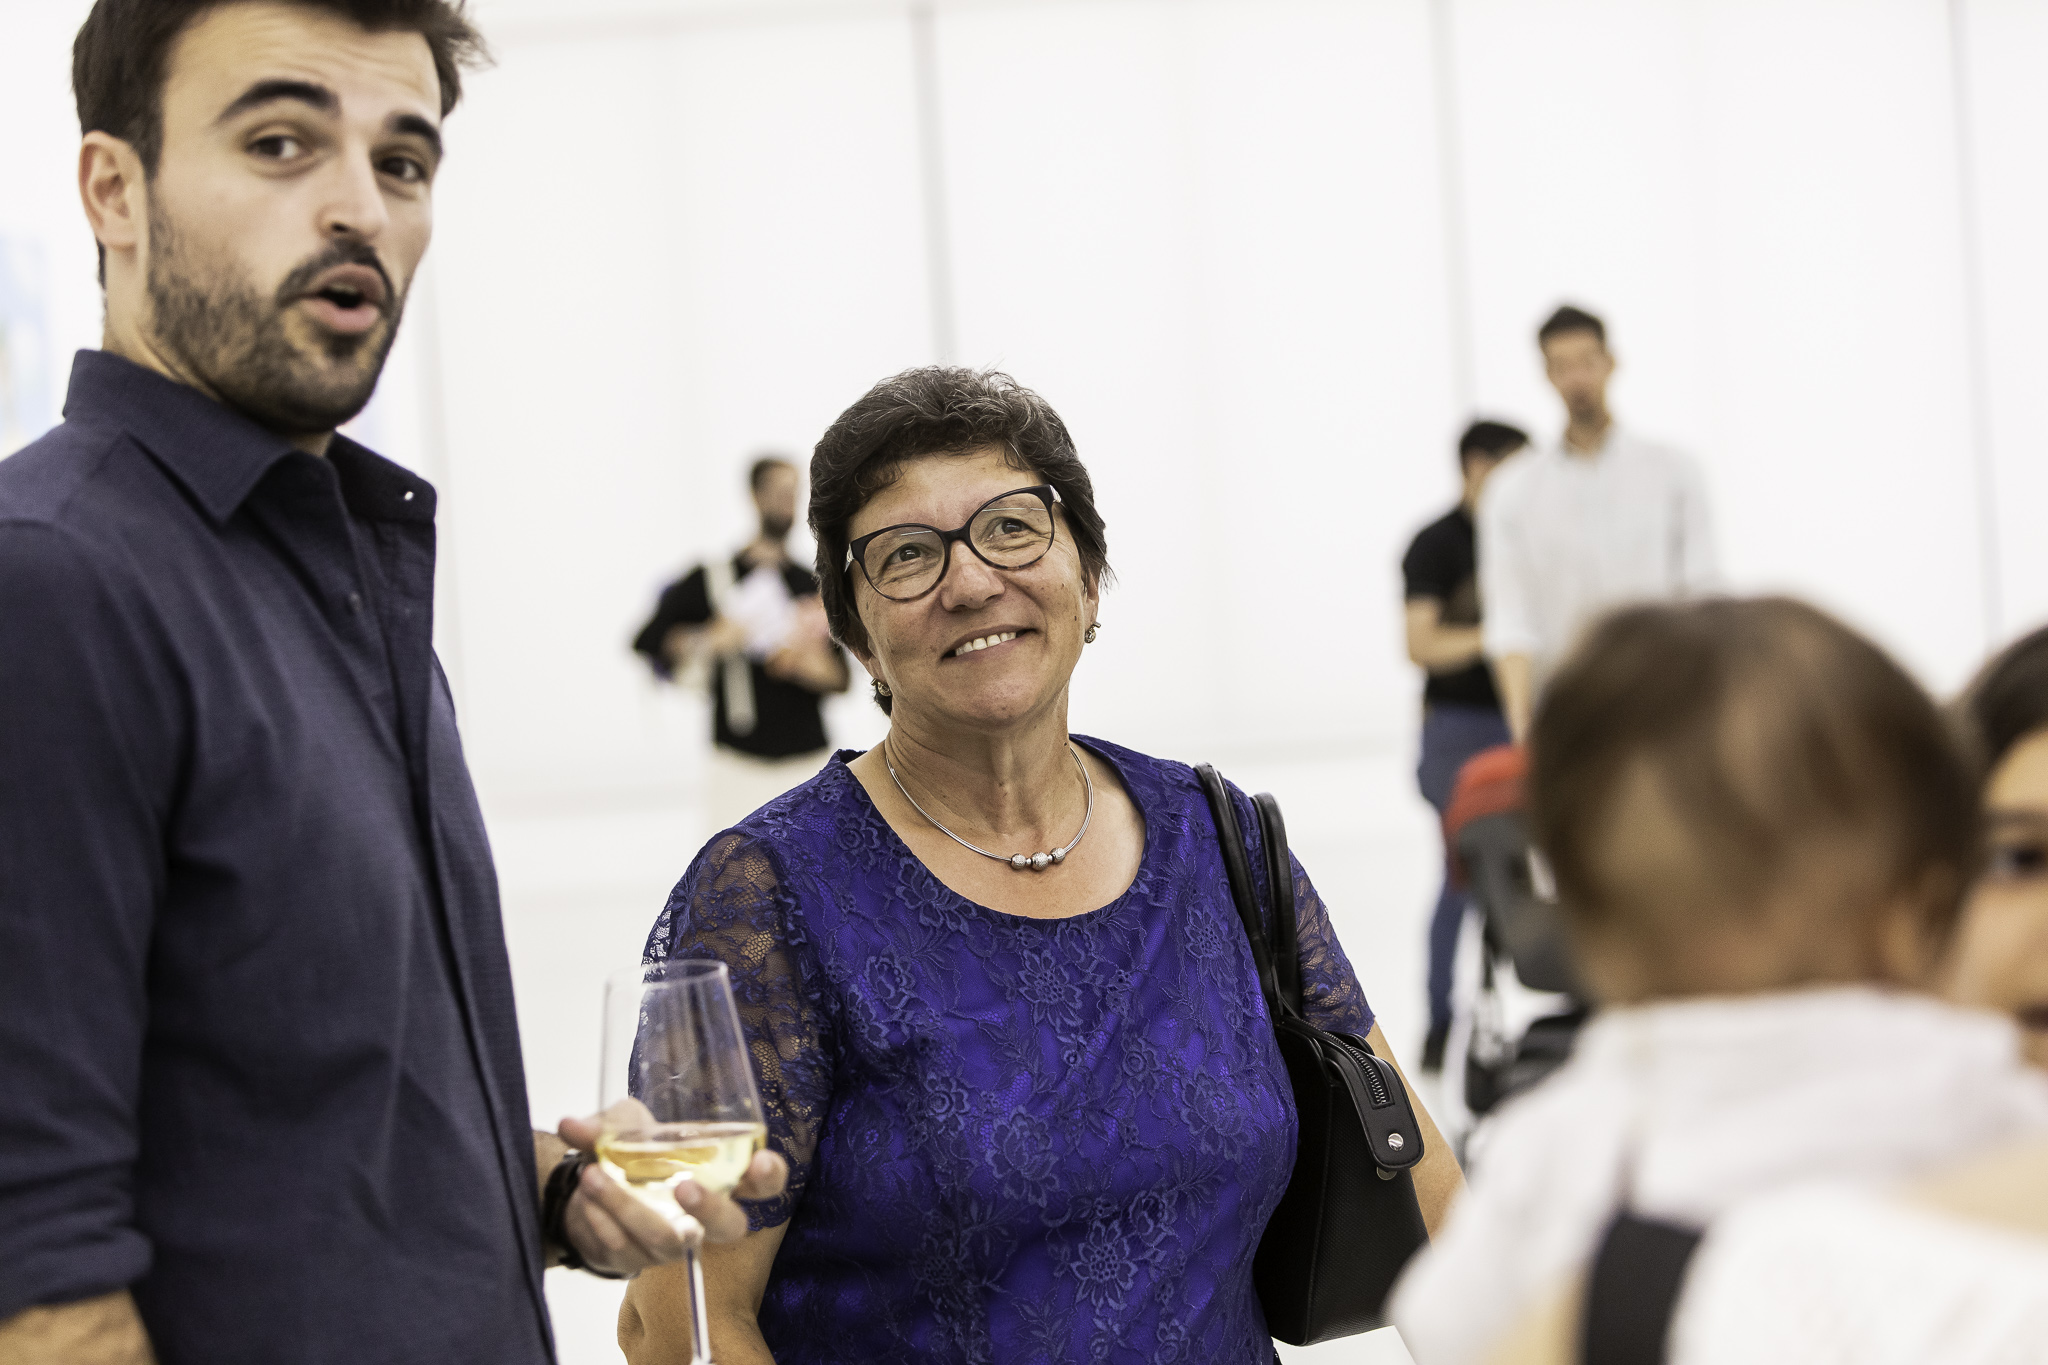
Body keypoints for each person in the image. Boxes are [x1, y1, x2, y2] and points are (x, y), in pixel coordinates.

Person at [0, 4, 784, 1362]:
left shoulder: (345, 573)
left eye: (402, 161)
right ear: (113, 191)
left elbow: (313, 1110)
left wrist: (553, 1186)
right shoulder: (53, 581)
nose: (360, 207)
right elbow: (38, 1278)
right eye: (281, 142)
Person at [620, 366, 1465, 1364]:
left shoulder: (1215, 837)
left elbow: (1434, 1213)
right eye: (906, 554)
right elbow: (680, 1317)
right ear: (856, 636)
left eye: (1013, 527)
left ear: (1089, 577)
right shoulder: (764, 896)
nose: (972, 581)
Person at [1388, 597, 2048, 1365]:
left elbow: (1447, 1326)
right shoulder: (1977, 1084)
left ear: (1594, 942)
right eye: (2019, 860)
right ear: (1921, 908)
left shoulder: (1580, 1130)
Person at [1480, 306, 1717, 740]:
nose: (1577, 379)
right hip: (1568, 700)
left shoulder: (1672, 471)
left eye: (1586, 362)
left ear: (1610, 363)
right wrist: (1520, 723)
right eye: (1562, 366)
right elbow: (1511, 617)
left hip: (1663, 695)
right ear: (1547, 375)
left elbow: (1702, 591)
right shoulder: (1514, 489)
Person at [634, 455, 850, 830]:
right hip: (738, 762)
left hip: (805, 761)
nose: (787, 502)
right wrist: (709, 639)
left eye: (794, 492)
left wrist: (805, 663)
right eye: (779, 491)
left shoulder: (811, 582)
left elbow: (841, 679)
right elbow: (646, 640)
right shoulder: (712, 578)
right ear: (754, 495)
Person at [1405, 418, 1529, 1069]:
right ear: (1477, 467)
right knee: (1463, 875)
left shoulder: (1527, 536)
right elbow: (1421, 644)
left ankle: (1504, 1018)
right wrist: (1501, 633)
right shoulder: (1437, 544)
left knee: (1519, 880)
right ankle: (1440, 1021)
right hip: (1458, 730)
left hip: (1522, 723)